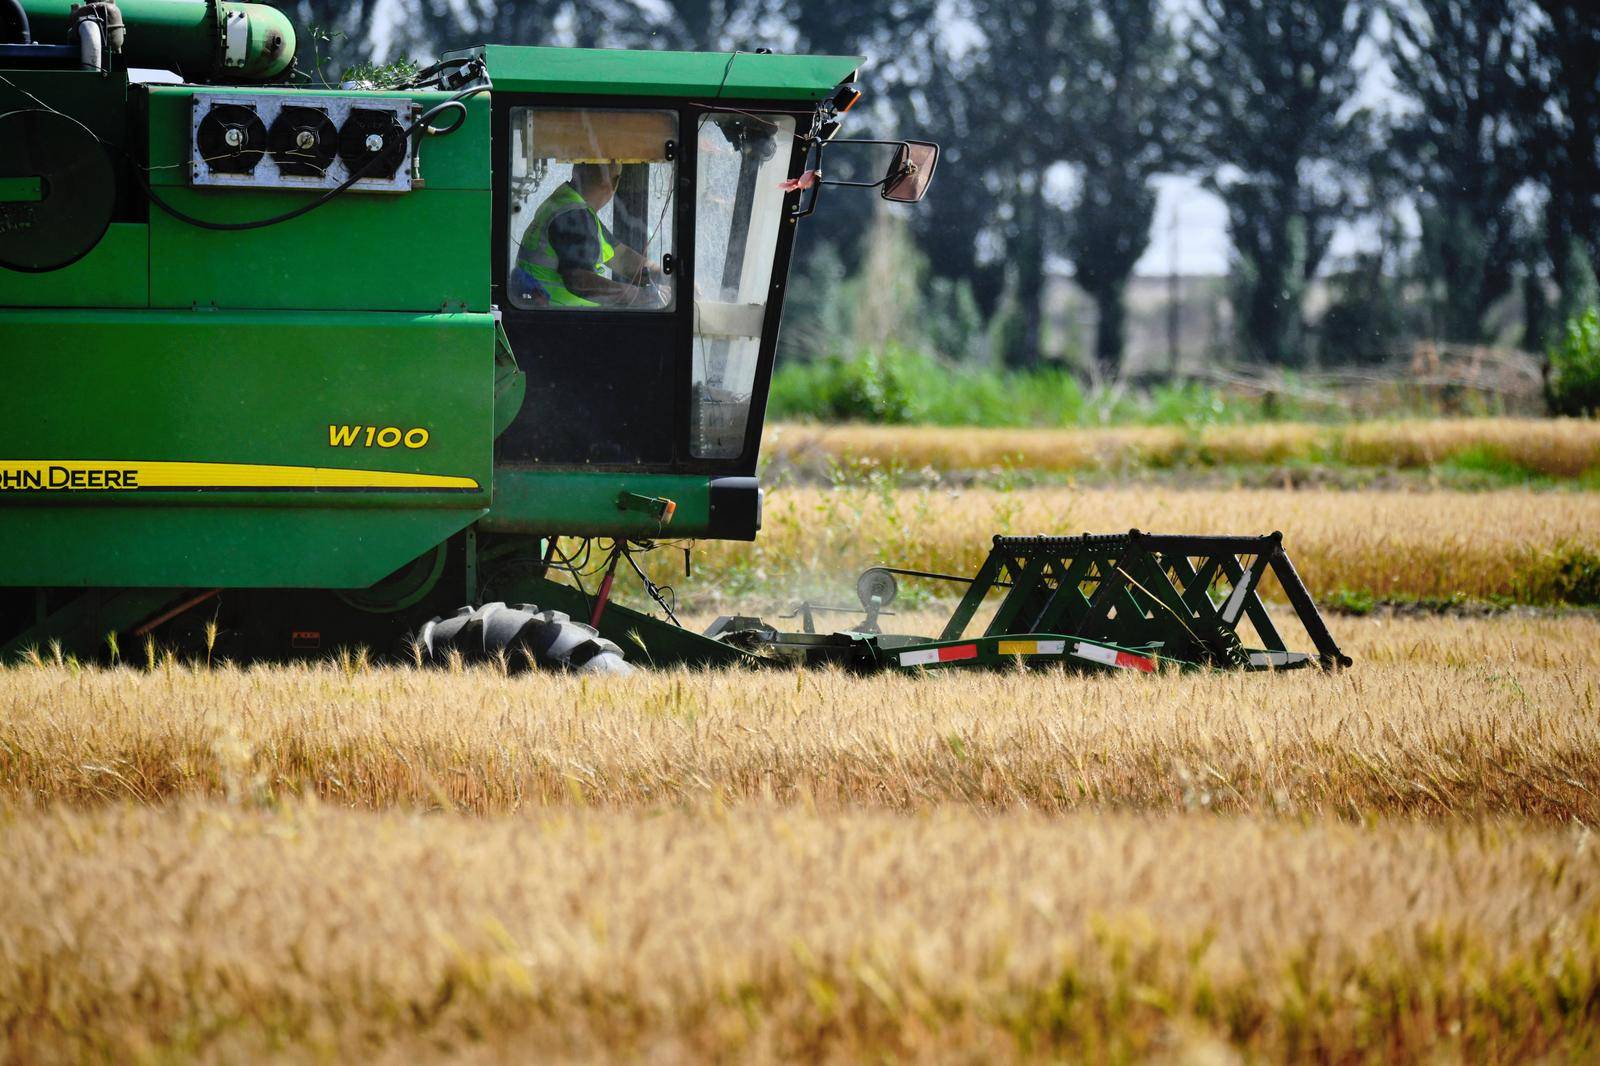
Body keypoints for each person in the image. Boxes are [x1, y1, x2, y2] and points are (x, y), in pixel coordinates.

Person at [511, 162, 665, 309]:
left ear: (575, 170)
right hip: (561, 323)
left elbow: (622, 258)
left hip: (550, 317)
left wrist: (667, 277)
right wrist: (640, 296)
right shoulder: (574, 215)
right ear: (613, 182)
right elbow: (579, 280)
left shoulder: (566, 204)